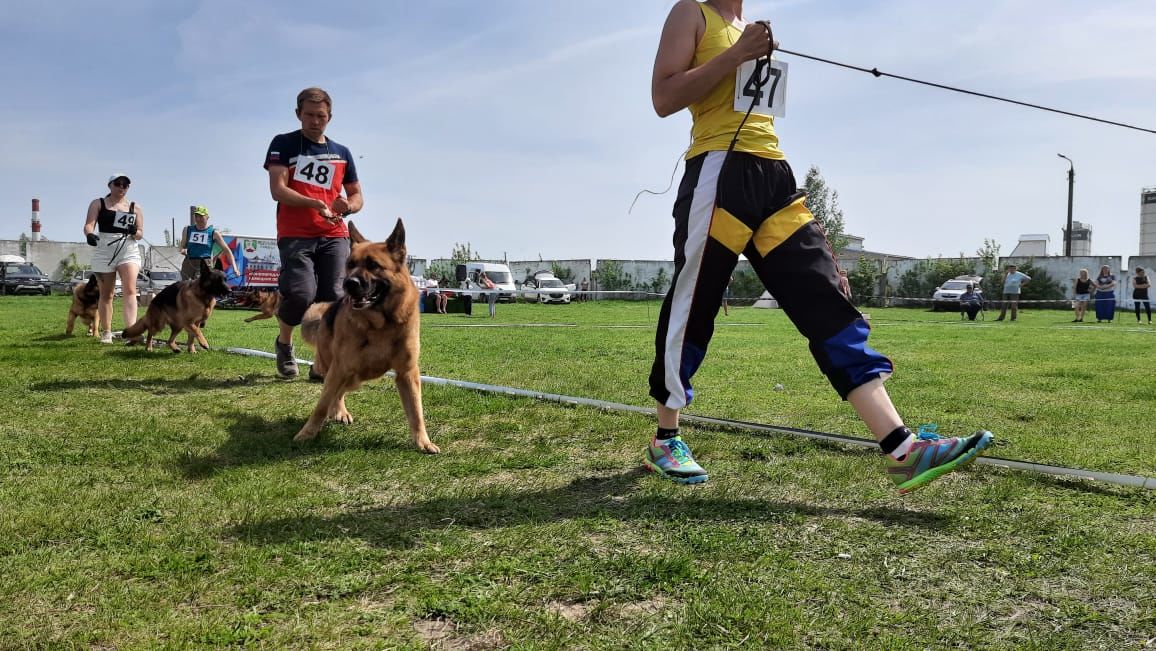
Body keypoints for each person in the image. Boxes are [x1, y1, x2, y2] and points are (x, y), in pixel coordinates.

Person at [643, 0, 993, 492]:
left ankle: (902, 449)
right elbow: (663, 97)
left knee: (828, 301)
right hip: (718, 171)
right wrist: (736, 53)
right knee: (693, 306)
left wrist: (749, 49)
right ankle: (665, 437)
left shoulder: (749, 26)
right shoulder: (692, 12)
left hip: (774, 172)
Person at [264, 87, 363, 379]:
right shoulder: (284, 144)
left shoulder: (342, 153)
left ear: (329, 116)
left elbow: (357, 195)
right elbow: (277, 189)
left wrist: (348, 207)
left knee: (332, 297)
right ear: (298, 114)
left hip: (334, 234)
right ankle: (284, 344)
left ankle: (322, 363)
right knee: (299, 294)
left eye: (321, 116)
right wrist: (313, 202)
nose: (314, 121)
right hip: (296, 233)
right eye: (308, 114)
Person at [83, 173, 143, 344]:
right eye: (118, 184)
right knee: (107, 294)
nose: (122, 187)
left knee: (130, 290)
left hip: (128, 249)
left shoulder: (134, 206)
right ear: (110, 185)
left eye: (126, 185)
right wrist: (89, 235)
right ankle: (106, 331)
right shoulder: (98, 203)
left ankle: (132, 331)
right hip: (104, 249)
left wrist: (134, 232)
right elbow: (89, 224)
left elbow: (140, 233)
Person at [178, 205, 237, 281]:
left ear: (207, 217)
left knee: (199, 286)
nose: (198, 219)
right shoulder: (187, 229)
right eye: (196, 216)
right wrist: (183, 250)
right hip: (189, 262)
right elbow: (182, 246)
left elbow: (227, 250)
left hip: (204, 263)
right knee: (184, 286)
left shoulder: (213, 232)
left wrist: (235, 268)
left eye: (201, 216)